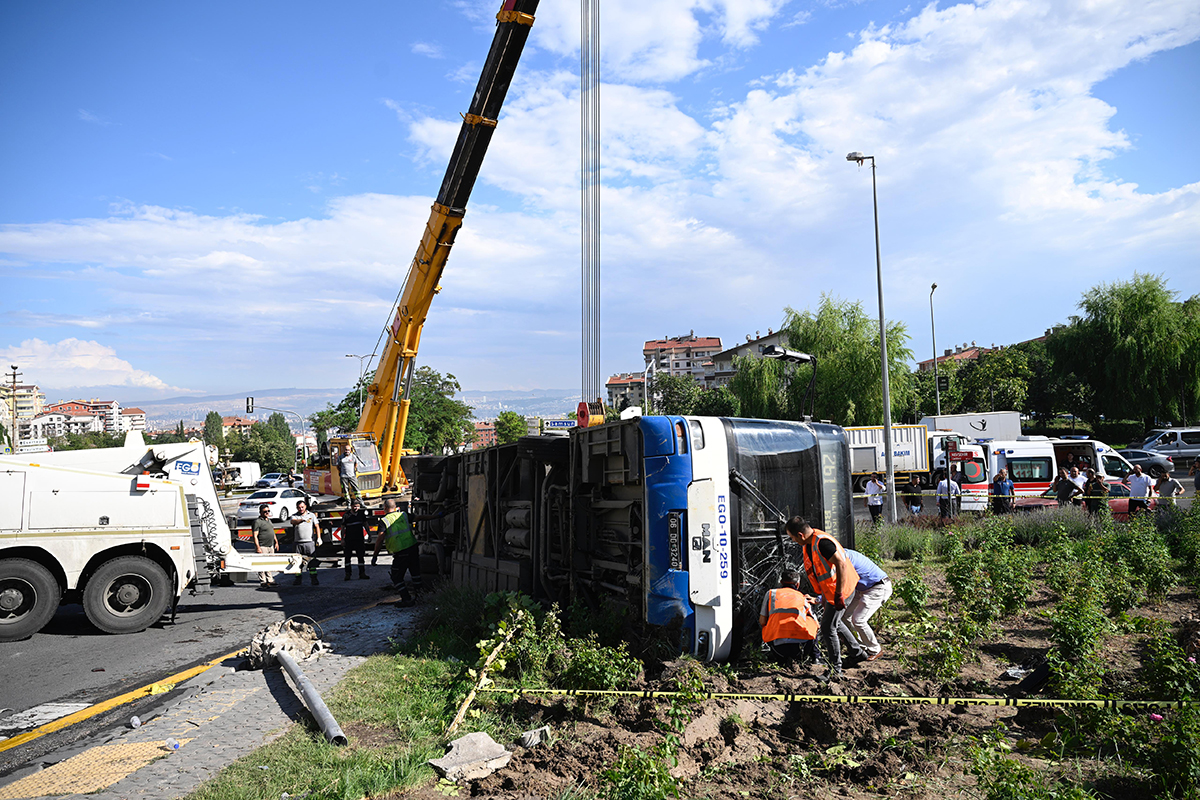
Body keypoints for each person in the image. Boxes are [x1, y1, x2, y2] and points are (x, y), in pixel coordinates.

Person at [785, 516, 867, 679]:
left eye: (792, 538)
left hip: (842, 590)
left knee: (828, 627)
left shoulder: (822, 543)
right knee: (834, 623)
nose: (792, 541)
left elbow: (841, 565)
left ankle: (835, 669)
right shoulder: (810, 542)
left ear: (800, 535)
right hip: (832, 592)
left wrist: (838, 594)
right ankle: (857, 653)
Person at [372, 499, 440, 607]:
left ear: (385, 508)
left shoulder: (384, 521)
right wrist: (436, 516)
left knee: (396, 577)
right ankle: (420, 597)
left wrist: (375, 556)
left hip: (401, 552)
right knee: (416, 575)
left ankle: (406, 599)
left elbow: (380, 539)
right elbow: (420, 517)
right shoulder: (404, 515)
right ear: (395, 507)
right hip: (412, 548)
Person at [758, 571, 821, 664]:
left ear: (781, 582)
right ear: (798, 584)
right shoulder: (803, 598)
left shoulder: (771, 594)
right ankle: (816, 657)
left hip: (778, 650)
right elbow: (818, 625)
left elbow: (762, 621)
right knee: (812, 621)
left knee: (768, 621)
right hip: (801, 649)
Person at [843, 549, 891, 661]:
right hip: (862, 589)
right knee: (845, 616)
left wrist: (821, 599)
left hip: (878, 587)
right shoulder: (842, 553)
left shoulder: (845, 559)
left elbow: (845, 585)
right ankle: (862, 647)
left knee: (859, 620)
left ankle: (875, 650)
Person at [286, 499, 321, 585]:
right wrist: (302, 520)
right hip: (298, 542)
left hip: (309, 542)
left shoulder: (311, 515)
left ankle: (314, 579)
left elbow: (317, 526)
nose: (301, 509)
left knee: (312, 561)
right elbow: (293, 522)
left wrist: (319, 538)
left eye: (302, 507)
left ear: (305, 507)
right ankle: (298, 579)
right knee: (297, 562)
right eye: (299, 508)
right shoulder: (295, 516)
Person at [341, 498, 373, 580]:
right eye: (355, 506)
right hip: (349, 540)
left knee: (361, 557)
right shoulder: (346, 516)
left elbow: (366, 524)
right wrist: (342, 539)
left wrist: (369, 535)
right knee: (347, 557)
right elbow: (343, 528)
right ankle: (348, 574)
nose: (356, 508)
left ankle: (362, 573)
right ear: (351, 506)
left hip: (359, 539)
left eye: (358, 506)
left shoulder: (361, 514)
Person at [252, 503, 279, 588]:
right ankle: (263, 581)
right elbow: (255, 535)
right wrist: (258, 547)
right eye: (265, 511)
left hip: (270, 545)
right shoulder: (257, 522)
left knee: (270, 563)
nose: (267, 513)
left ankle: (270, 580)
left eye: (268, 511)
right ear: (260, 512)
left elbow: (272, 532)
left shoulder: (268, 520)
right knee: (262, 563)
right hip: (262, 545)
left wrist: (276, 542)